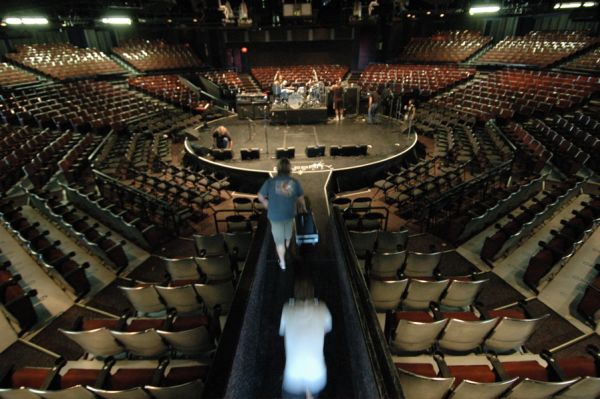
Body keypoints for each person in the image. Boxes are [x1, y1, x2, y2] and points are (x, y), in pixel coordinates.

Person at [280, 277, 332, 398]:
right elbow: (326, 330)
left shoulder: (287, 308)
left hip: (292, 377)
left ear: (295, 292)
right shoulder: (323, 307)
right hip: (317, 376)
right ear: (313, 292)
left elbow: (283, 332)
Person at [257, 158, 307, 270]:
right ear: (289, 169)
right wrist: (304, 208)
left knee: (279, 242)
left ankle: (282, 262)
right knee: (288, 235)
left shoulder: (270, 182)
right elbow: (301, 198)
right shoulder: (294, 182)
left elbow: (260, 196)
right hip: (289, 215)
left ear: (278, 169)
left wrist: (267, 204)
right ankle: (287, 247)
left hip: (275, 217)